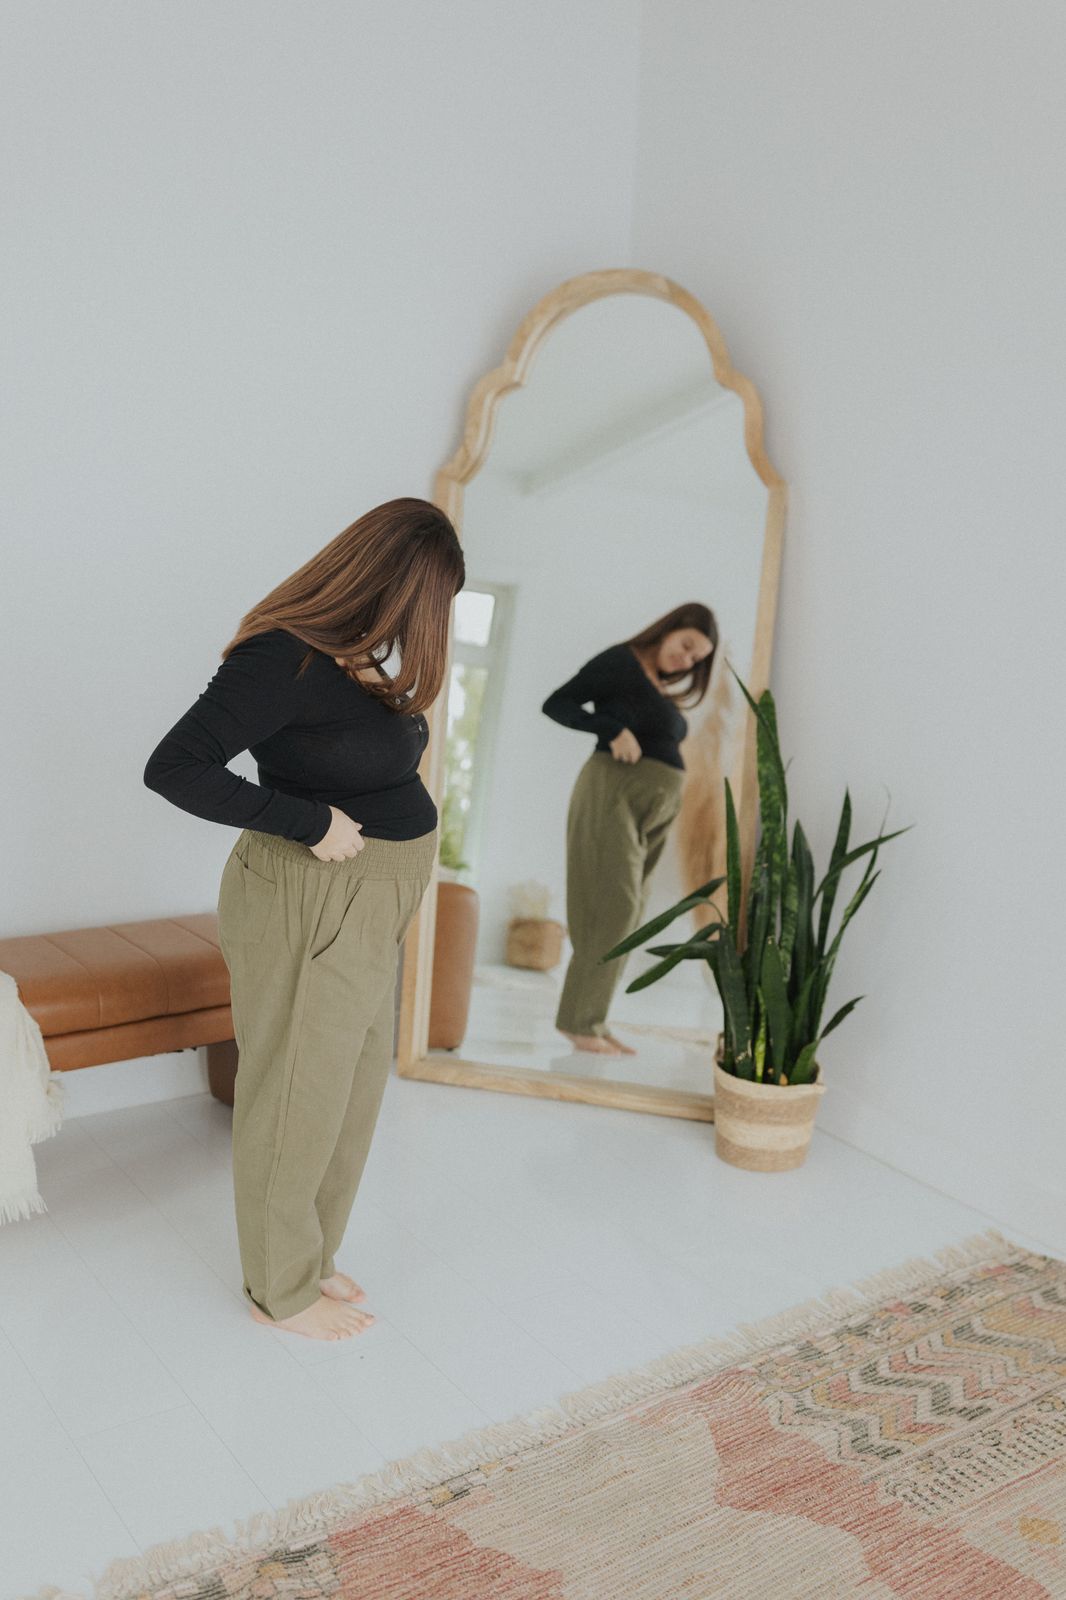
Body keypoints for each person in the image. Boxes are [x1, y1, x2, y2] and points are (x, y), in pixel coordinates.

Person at [143, 497, 464, 1341]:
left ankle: (309, 1258)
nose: (430, 626)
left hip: (374, 899)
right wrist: (308, 821)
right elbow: (173, 767)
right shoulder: (277, 656)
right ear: (390, 583)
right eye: (432, 604)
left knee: (352, 1090)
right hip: (313, 898)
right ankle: (278, 1290)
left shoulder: (354, 656)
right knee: (298, 1093)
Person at [541, 602, 717, 1056]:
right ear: (669, 628)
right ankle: (577, 1021)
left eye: (696, 659)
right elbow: (556, 703)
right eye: (686, 646)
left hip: (652, 808)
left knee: (632, 914)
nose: (687, 660)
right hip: (613, 792)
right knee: (612, 907)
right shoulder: (619, 662)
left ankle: (594, 1020)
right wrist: (610, 728)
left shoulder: (660, 685)